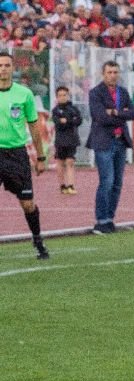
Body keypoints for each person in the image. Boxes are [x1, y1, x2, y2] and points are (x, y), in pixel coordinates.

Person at [0, 51, 49, 259]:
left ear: (13, 68)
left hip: (17, 154)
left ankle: (38, 240)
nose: (3, 69)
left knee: (27, 204)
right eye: (0, 65)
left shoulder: (24, 94)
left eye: (7, 65)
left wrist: (40, 157)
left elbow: (34, 127)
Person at [86, 60, 134, 234]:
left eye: (115, 72)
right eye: (109, 72)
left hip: (120, 140)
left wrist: (115, 112)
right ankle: (101, 220)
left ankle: (109, 219)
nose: (113, 75)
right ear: (103, 74)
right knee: (106, 181)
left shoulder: (123, 92)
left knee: (117, 183)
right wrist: (122, 116)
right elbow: (100, 117)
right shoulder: (96, 93)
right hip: (104, 142)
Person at [51, 84, 82, 194]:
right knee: (60, 162)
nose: (62, 97)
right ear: (57, 97)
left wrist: (67, 121)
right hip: (60, 140)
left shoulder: (74, 109)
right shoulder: (55, 110)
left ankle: (71, 185)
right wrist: (69, 121)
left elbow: (78, 121)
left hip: (72, 139)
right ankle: (62, 185)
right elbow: (58, 123)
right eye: (60, 95)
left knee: (70, 161)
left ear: (68, 96)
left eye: (64, 95)